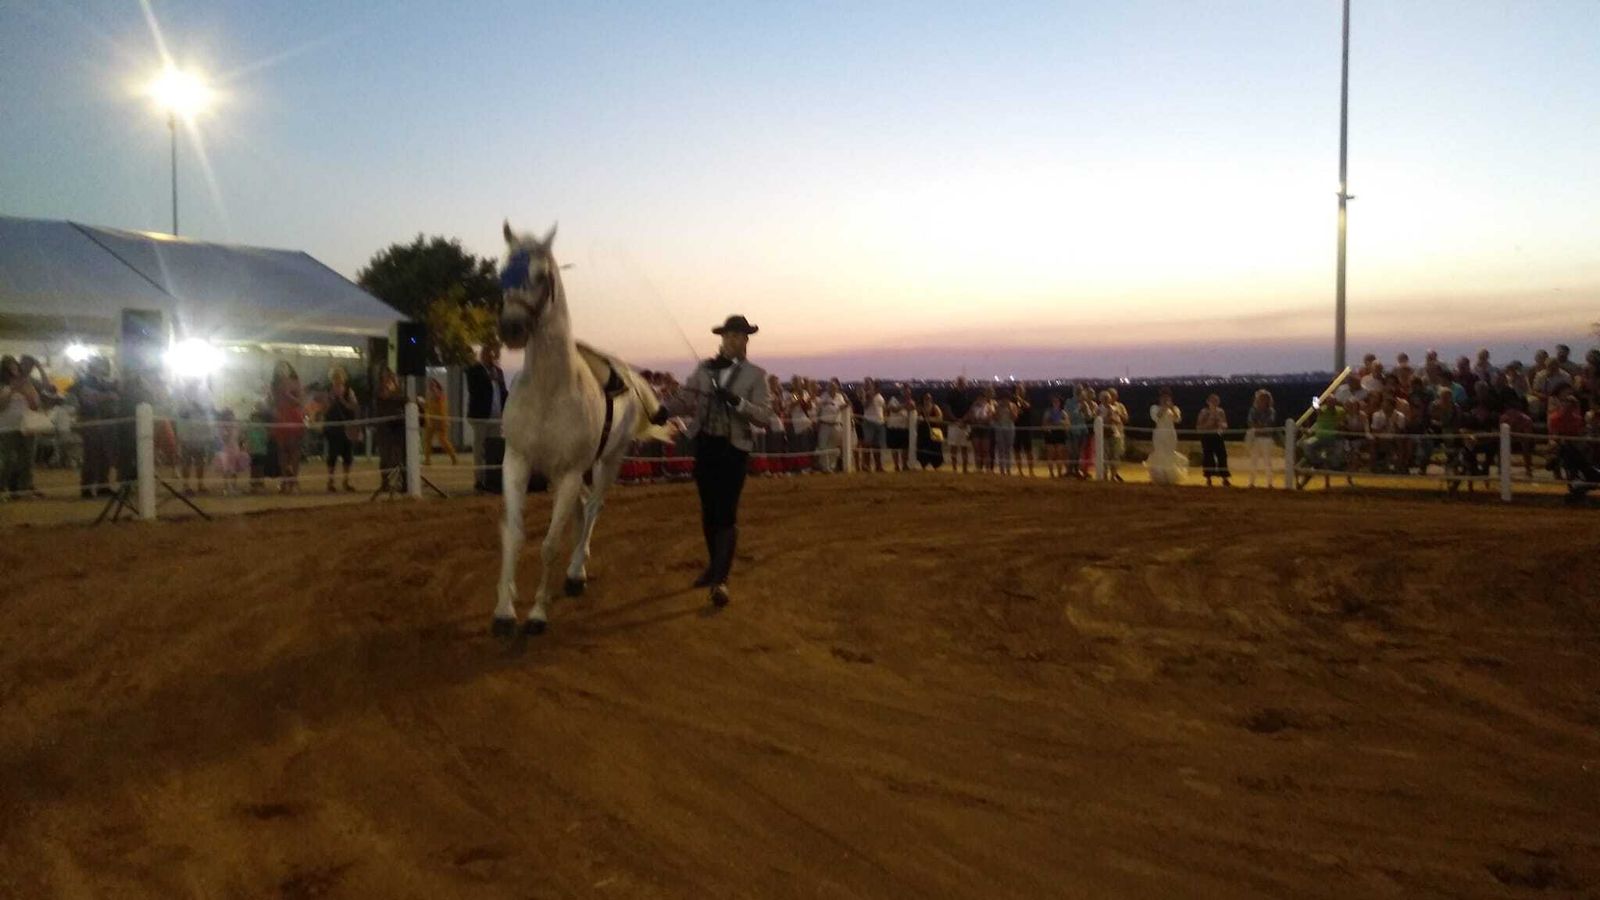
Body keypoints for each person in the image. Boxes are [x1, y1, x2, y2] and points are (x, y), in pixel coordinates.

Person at [663, 315, 773, 608]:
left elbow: (764, 416)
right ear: (722, 339)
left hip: (734, 450)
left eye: (741, 336)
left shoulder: (756, 375)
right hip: (706, 446)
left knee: (726, 512)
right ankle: (715, 567)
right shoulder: (704, 369)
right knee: (709, 510)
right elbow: (685, 398)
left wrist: (737, 402)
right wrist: (661, 411)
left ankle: (720, 581)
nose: (735, 340)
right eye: (731, 336)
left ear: (747, 341)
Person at [67, 358, 119, 497]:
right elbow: (87, 398)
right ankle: (87, 487)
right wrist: (108, 396)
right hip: (91, 421)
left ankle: (103, 484)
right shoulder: (85, 381)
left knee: (104, 455)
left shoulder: (103, 382)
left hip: (104, 422)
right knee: (92, 455)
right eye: (102, 364)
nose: (106, 367)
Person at [465, 341, 508, 492]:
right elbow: (474, 389)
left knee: (493, 449)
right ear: (483, 355)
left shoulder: (499, 372)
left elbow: (503, 393)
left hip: (496, 417)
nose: (492, 356)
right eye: (489, 353)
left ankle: (492, 480)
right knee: (479, 450)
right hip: (480, 417)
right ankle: (479, 479)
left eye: (494, 354)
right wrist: (489, 378)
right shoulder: (475, 370)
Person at [0, 355, 43, 500]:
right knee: (8, 460)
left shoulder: (27, 383)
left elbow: (35, 405)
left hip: (26, 426)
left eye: (14, 365)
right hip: (7, 427)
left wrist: (25, 391)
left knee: (27, 459)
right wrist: (12, 390)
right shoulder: (2, 385)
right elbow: (1, 407)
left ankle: (24, 489)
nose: (13, 369)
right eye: (9, 366)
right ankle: (2, 489)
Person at [1547, 383, 1597, 505]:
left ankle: (1579, 487)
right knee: (1567, 451)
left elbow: (1579, 435)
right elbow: (1554, 436)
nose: (1568, 407)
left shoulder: (1577, 419)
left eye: (1571, 405)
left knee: (1584, 460)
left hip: (1576, 448)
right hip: (1564, 448)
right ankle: (1577, 485)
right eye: (1566, 404)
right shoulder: (1554, 418)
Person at [270, 361, 306, 493]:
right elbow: (273, 401)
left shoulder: (295, 383)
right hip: (280, 418)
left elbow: (301, 402)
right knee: (282, 452)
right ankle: (285, 480)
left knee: (294, 451)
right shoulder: (274, 385)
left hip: (294, 418)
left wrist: (288, 395)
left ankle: (294, 480)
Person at [324, 365, 361, 491]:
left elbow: (355, 407)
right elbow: (325, 409)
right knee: (332, 454)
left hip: (346, 427)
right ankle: (330, 481)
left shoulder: (349, 391)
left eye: (339, 377)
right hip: (333, 427)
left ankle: (346, 481)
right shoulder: (328, 391)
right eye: (335, 377)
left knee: (347, 454)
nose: (337, 379)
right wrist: (332, 400)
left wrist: (342, 401)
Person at [373, 368, 408, 493]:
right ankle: (385, 482)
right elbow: (385, 398)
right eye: (386, 376)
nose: (388, 378)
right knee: (385, 456)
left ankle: (404, 482)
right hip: (385, 428)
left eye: (390, 375)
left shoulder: (398, 388)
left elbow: (404, 400)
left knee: (402, 455)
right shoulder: (379, 390)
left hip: (399, 426)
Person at [1146, 387, 1187, 486]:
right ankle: (1159, 476)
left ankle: (1170, 476)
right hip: (1159, 433)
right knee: (1159, 452)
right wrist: (1164, 407)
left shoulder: (1174, 408)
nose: (1165, 399)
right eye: (1163, 397)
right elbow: (1156, 418)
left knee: (1170, 452)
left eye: (1167, 397)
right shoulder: (1154, 408)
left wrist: (1172, 408)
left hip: (1170, 433)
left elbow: (1178, 419)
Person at [1195, 393, 1231, 487]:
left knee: (1222, 456)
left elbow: (1224, 424)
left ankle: (1225, 478)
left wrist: (1222, 426)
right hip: (1207, 437)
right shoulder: (1203, 412)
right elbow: (1199, 427)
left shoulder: (1221, 411)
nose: (1214, 403)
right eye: (1212, 401)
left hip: (1218, 436)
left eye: (1216, 401)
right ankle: (1208, 479)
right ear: (1208, 402)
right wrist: (1210, 420)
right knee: (1208, 457)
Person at [421, 376, 458, 467]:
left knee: (443, 440)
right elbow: (428, 407)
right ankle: (427, 460)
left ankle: (454, 457)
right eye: (430, 384)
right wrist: (422, 403)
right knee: (427, 440)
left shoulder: (440, 394)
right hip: (431, 421)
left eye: (433, 384)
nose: (430, 386)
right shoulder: (429, 395)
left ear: (437, 385)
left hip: (441, 421)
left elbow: (438, 399)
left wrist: (434, 391)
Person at [1245, 389, 1277, 487]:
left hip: (1266, 438)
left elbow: (1269, 422)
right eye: (1260, 398)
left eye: (1264, 398)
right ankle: (1251, 482)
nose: (1262, 400)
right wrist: (1260, 426)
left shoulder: (1270, 411)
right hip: (1256, 438)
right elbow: (1250, 422)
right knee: (1253, 461)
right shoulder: (1253, 410)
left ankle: (1270, 483)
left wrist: (1258, 426)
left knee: (1267, 461)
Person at [944, 376, 972, 473]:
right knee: (953, 447)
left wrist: (964, 420)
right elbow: (947, 408)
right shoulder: (951, 393)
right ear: (957, 383)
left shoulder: (968, 394)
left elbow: (970, 409)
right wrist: (955, 419)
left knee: (965, 447)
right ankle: (954, 468)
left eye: (962, 382)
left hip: (965, 424)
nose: (961, 384)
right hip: (953, 424)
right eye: (960, 382)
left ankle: (965, 468)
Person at [916, 393, 944, 470]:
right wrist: (919, 419)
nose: (927, 400)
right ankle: (923, 465)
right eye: (925, 398)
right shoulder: (920, 408)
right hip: (923, 431)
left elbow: (940, 418)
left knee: (936, 448)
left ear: (931, 399)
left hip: (935, 431)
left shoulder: (935, 407)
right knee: (923, 447)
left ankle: (936, 466)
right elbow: (916, 419)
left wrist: (929, 419)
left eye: (928, 398)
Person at [1041, 395, 1067, 478]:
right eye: (1054, 401)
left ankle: (1059, 473)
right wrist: (1050, 424)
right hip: (1050, 433)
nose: (1055, 403)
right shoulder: (1048, 412)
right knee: (1051, 453)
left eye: (1057, 401)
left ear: (1060, 403)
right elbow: (1044, 424)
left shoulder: (1063, 412)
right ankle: (1051, 473)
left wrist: (1060, 422)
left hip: (1060, 433)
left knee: (1059, 453)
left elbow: (1068, 424)